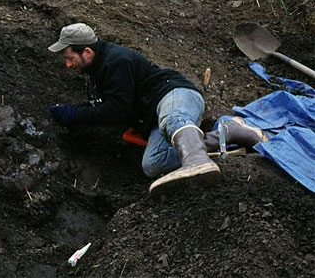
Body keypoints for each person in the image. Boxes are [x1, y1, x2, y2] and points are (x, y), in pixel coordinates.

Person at [47, 23, 268, 194]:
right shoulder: (95, 73)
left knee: (172, 118)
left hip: (174, 95)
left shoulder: (117, 61)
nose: (68, 64)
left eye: (69, 58)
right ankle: (229, 132)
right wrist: (70, 111)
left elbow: (117, 110)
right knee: (153, 164)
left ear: (87, 51)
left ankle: (196, 161)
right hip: (154, 120)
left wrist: (74, 115)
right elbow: (103, 106)